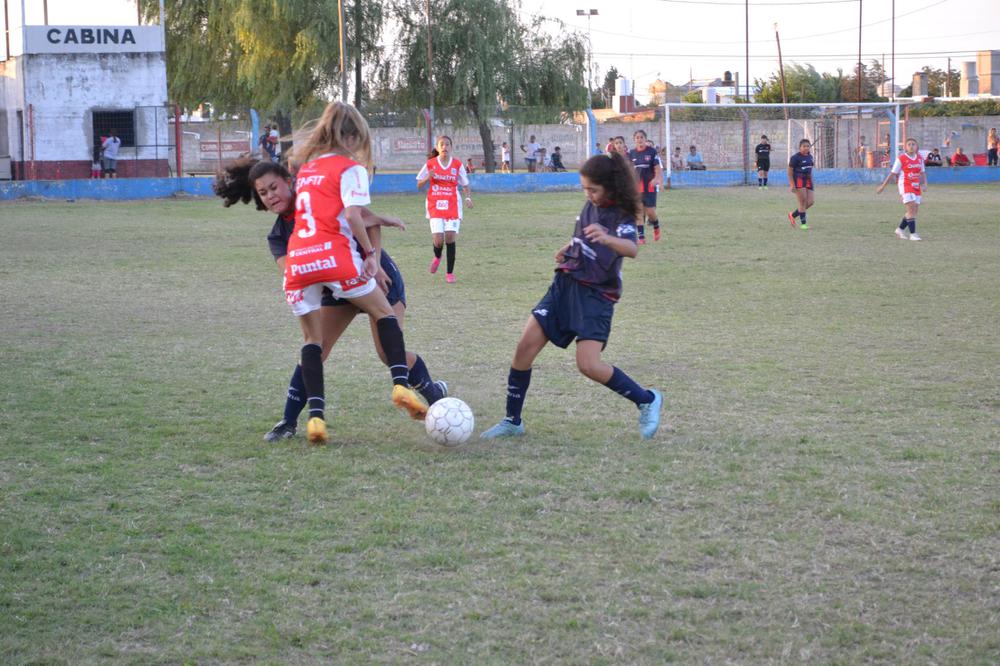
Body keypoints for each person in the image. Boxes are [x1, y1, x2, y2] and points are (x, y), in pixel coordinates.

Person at [213, 157, 449, 441]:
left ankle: (435, 397)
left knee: (388, 354)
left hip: (376, 277)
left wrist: (375, 263)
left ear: (290, 182)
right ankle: (288, 422)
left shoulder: (319, 199)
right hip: (336, 291)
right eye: (263, 193)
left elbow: (368, 220)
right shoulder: (278, 236)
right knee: (315, 349)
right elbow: (293, 274)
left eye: (274, 187)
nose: (271, 195)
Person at [480, 151, 664, 441]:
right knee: (524, 349)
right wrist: (569, 246)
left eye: (593, 189)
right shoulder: (591, 205)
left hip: (596, 296)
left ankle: (647, 400)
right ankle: (512, 421)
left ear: (610, 187)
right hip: (565, 284)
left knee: (588, 365)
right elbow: (584, 235)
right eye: (584, 189)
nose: (588, 194)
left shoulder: (622, 214)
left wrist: (607, 238)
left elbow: (631, 249)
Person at [280, 101, 429, 444]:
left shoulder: (308, 169)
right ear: (349, 136)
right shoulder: (350, 168)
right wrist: (370, 257)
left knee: (313, 342)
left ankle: (315, 420)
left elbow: (325, 213)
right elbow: (349, 216)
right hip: (334, 258)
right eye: (359, 138)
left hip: (299, 261)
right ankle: (401, 386)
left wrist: (378, 218)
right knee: (383, 311)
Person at [417, 135, 473, 284]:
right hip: (435, 204)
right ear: (437, 147)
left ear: (451, 147)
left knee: (450, 237)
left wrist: (468, 198)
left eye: (447, 144)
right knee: (438, 240)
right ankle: (437, 256)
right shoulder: (430, 164)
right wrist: (427, 177)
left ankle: (449, 273)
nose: (445, 147)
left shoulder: (457, 164)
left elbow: (465, 184)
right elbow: (419, 184)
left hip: (452, 204)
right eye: (442, 144)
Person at [876, 137, 926, 242]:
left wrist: (924, 184)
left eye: (913, 144)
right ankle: (913, 234)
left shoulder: (920, 159)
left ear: (917, 147)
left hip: (916, 186)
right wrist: (882, 186)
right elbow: (892, 174)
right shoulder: (901, 159)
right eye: (909, 144)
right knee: (911, 209)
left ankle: (899, 229)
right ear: (906, 147)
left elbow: (922, 172)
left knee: (913, 211)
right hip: (905, 185)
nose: (911, 146)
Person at [628, 129, 664, 244]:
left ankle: (656, 226)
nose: (639, 139)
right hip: (637, 187)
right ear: (634, 140)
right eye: (637, 137)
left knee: (650, 212)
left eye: (641, 137)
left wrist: (656, 179)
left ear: (645, 139)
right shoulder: (632, 153)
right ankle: (641, 238)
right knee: (638, 211)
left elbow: (657, 168)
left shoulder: (652, 152)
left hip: (649, 186)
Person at [786, 139, 815, 230]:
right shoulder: (795, 158)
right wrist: (792, 185)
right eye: (804, 146)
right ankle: (803, 224)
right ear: (800, 147)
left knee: (810, 202)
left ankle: (792, 215)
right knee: (802, 202)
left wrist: (811, 181)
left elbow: (810, 170)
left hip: (808, 180)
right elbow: (790, 173)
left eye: (808, 146)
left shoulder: (810, 156)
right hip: (799, 180)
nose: (806, 148)